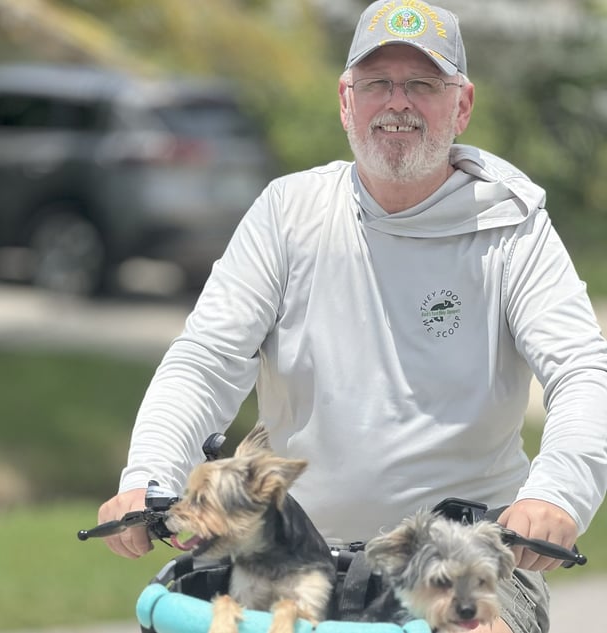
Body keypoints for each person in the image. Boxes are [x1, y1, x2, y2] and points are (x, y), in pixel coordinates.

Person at [98, 2, 607, 632]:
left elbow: (583, 371)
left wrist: (555, 495)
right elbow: (205, 361)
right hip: (296, 553)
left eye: (423, 84)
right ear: (346, 101)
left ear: (462, 105)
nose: (398, 103)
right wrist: (150, 475)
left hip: (463, 558)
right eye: (376, 84)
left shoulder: (513, 226)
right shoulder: (289, 212)